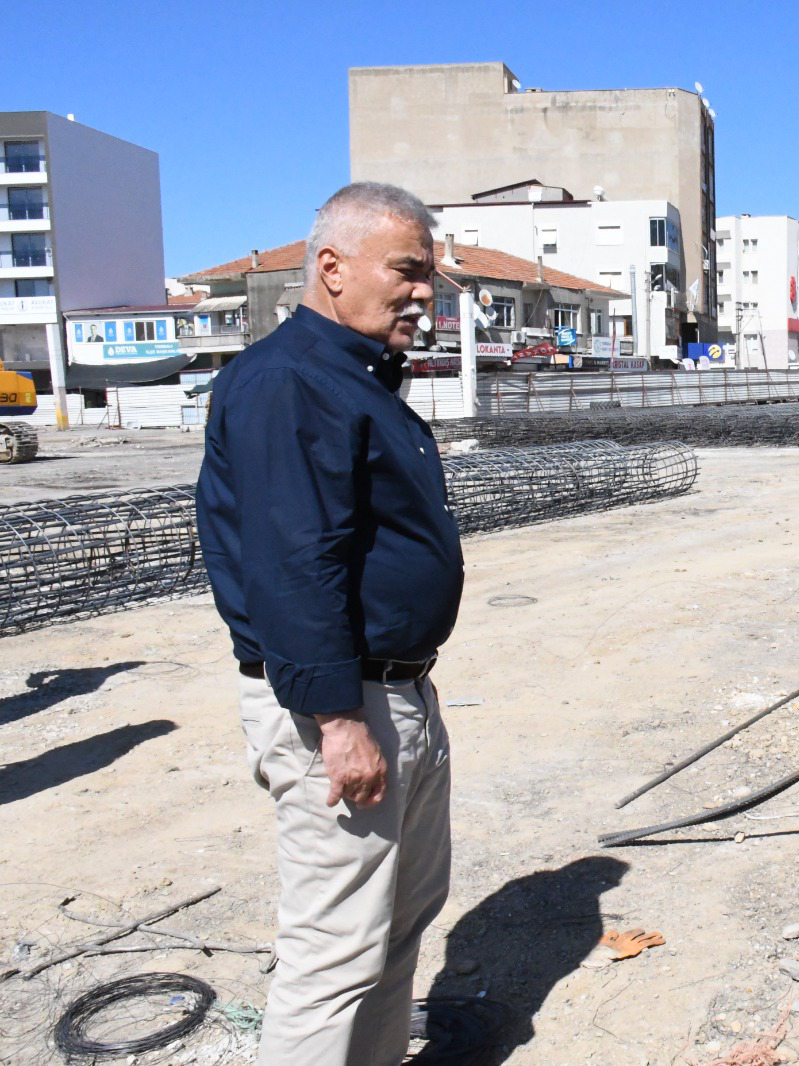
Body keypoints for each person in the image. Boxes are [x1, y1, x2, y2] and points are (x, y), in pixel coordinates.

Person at [196, 182, 463, 1063]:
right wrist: (340, 721)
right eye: (407, 271)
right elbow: (293, 566)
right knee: (334, 954)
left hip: (394, 691)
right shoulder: (290, 384)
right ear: (332, 268)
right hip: (340, 708)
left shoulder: (353, 379)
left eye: (427, 274)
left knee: (397, 927)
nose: (423, 292)